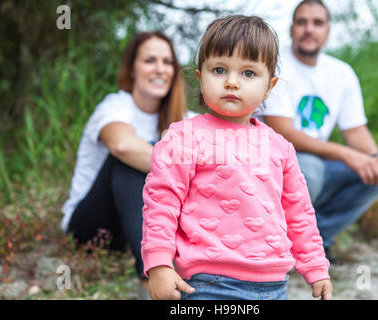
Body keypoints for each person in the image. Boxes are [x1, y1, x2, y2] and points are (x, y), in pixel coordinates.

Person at [141, 15, 332, 300]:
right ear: (200, 77)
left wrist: (316, 266)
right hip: (206, 283)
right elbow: (161, 202)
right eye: (219, 70)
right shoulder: (184, 137)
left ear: (269, 86)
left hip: (274, 285)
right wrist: (159, 264)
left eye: (248, 73)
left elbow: (299, 213)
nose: (231, 82)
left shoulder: (280, 147)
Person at [254, 0, 378, 263]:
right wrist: (346, 154)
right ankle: (278, 244)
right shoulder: (276, 64)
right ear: (291, 29)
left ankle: (318, 241)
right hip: (272, 164)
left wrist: (373, 158)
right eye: (302, 22)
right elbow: (283, 132)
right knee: (309, 169)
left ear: (328, 31)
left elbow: (356, 131)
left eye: (317, 23)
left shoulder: (341, 72)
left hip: (316, 163)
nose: (310, 29)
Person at [60, 31, 197, 298]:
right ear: (132, 69)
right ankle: (150, 279)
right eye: (149, 60)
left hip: (132, 230)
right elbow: (122, 145)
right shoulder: (115, 106)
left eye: (167, 62)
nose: (160, 69)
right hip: (93, 226)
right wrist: (189, 172)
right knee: (131, 160)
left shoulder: (184, 119)